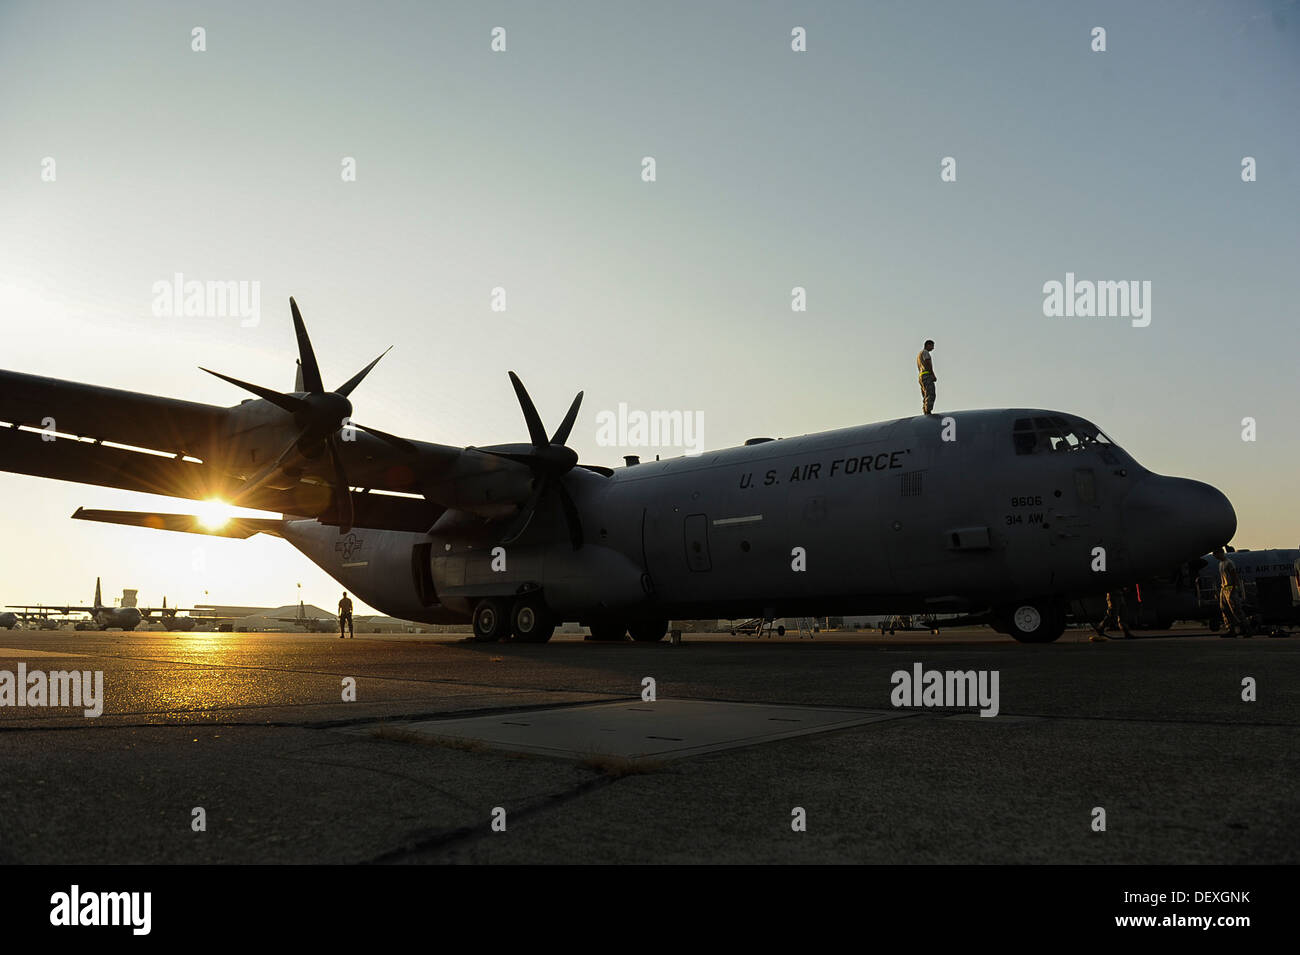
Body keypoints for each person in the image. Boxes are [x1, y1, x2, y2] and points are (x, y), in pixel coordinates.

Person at [1213, 548, 1252, 638]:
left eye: (1216, 554)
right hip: (1224, 588)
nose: (1215, 556)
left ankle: (1247, 629)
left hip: (1230, 588)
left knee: (1236, 610)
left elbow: (1234, 575)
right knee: (1224, 609)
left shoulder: (1229, 563)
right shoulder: (1220, 564)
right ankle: (1231, 629)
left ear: (1221, 553)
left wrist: (1235, 587)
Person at [917, 340, 936, 415]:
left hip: (921, 376)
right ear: (928, 345)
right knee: (930, 393)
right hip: (926, 375)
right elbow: (928, 363)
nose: (933, 348)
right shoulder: (925, 352)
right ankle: (928, 410)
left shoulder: (919, 354)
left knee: (925, 394)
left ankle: (925, 410)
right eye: (932, 346)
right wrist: (932, 374)